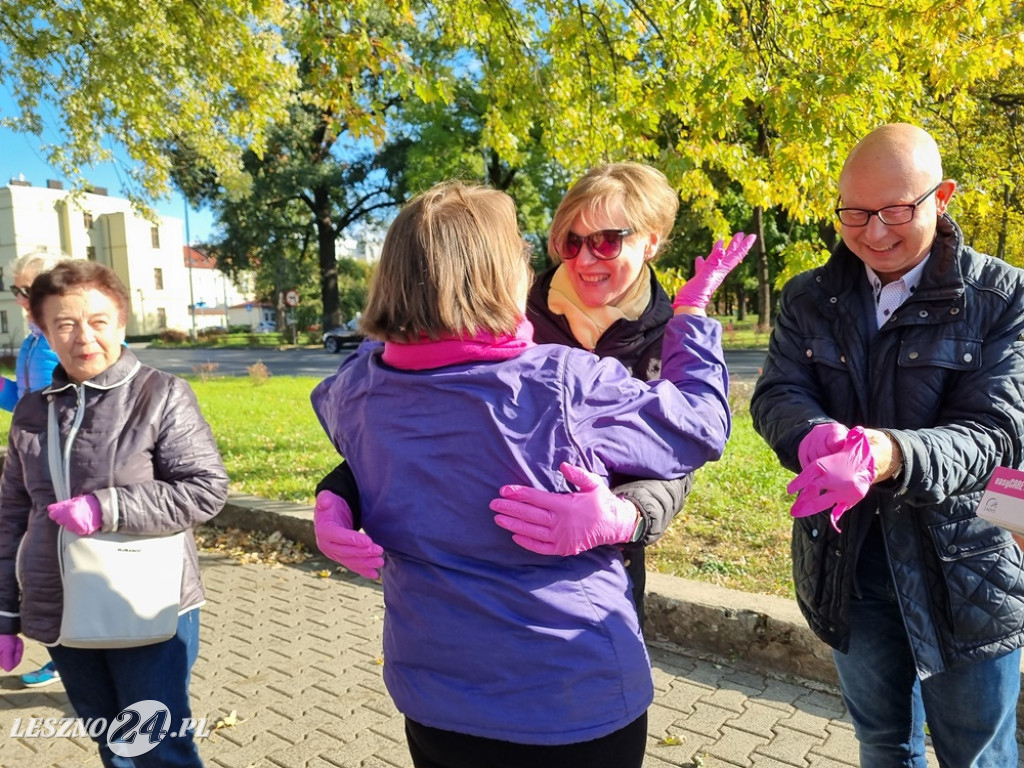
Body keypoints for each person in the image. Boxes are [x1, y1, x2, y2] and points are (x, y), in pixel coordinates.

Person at [311, 180, 750, 768]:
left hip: (436, 697)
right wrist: (692, 315)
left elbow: (380, 434)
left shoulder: (358, 387)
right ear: (495, 274)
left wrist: (334, 496)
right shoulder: (566, 383)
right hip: (570, 698)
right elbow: (699, 425)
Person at [317, 162, 699, 628]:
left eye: (606, 240)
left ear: (651, 240)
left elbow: (676, 452)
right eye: (568, 242)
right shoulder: (516, 316)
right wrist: (341, 492)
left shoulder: (665, 334)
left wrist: (632, 514)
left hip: (592, 580)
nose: (582, 259)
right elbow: (423, 430)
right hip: (531, 636)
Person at [750, 123, 1024, 767]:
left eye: (897, 210)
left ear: (943, 196)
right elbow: (776, 394)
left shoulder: (1004, 296)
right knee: (883, 745)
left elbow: (997, 433)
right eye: (855, 213)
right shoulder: (807, 297)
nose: (874, 232)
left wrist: (885, 454)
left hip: (968, 565)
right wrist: (815, 436)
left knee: (978, 754)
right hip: (850, 560)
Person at [0, 260, 230, 767]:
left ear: (121, 322)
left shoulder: (162, 395)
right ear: (42, 331)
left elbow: (205, 490)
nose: (84, 337)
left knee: (158, 747)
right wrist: (6, 615)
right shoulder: (33, 410)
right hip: (59, 605)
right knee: (113, 743)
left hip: (147, 603)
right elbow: (11, 515)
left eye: (99, 321)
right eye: (64, 323)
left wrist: (104, 507)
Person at [0, 249, 65, 688]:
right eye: (17, 289)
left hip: (62, 468)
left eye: (31, 289)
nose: (23, 299)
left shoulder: (65, 335)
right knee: (38, 562)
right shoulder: (32, 340)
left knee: (60, 565)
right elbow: (25, 402)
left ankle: (70, 656)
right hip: (30, 465)